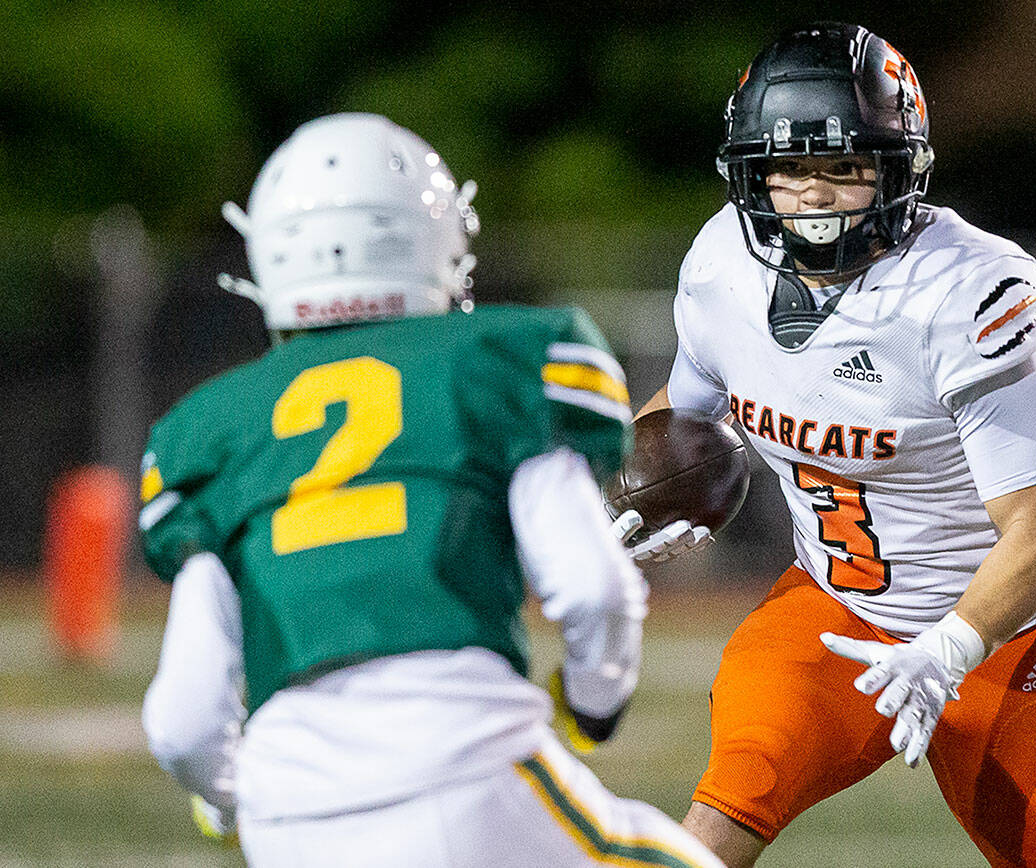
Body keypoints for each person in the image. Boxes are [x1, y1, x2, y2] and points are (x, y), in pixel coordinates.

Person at [139, 112, 724, 868]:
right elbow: (592, 592)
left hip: (288, 811)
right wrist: (590, 707)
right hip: (464, 769)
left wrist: (233, 799)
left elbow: (181, 722)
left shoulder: (211, 432)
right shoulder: (496, 363)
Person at [626, 23, 1036, 868]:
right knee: (716, 823)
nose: (815, 195)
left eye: (844, 169)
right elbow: (684, 412)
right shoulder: (720, 265)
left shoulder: (965, 290)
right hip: (831, 611)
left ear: (896, 171)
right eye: (790, 169)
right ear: (752, 174)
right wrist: (623, 492)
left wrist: (949, 649)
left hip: (996, 640)